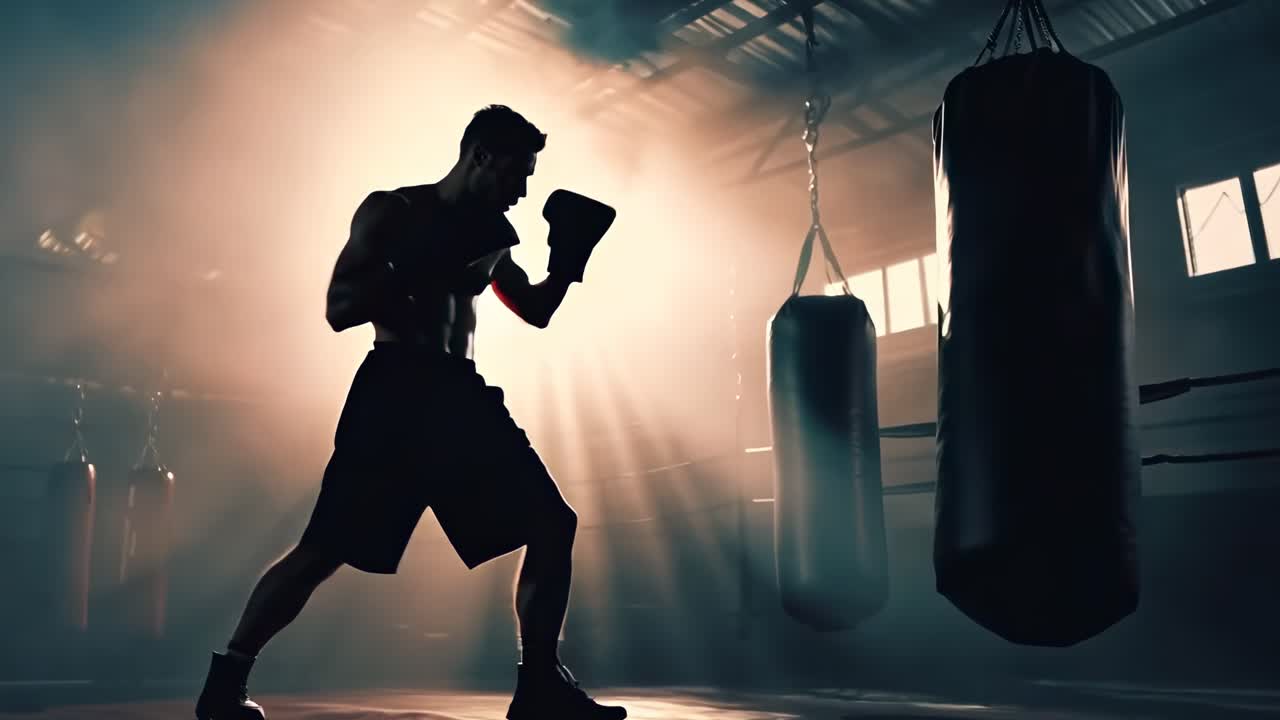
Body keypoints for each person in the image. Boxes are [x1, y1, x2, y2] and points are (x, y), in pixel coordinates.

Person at [195, 105, 624, 720]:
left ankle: (539, 688)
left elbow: (533, 309)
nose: (523, 191)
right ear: (480, 155)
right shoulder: (394, 211)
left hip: (461, 397)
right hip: (394, 393)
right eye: (517, 173)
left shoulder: (492, 235)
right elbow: (340, 307)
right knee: (321, 551)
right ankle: (226, 682)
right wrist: (427, 265)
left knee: (553, 523)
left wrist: (567, 263)